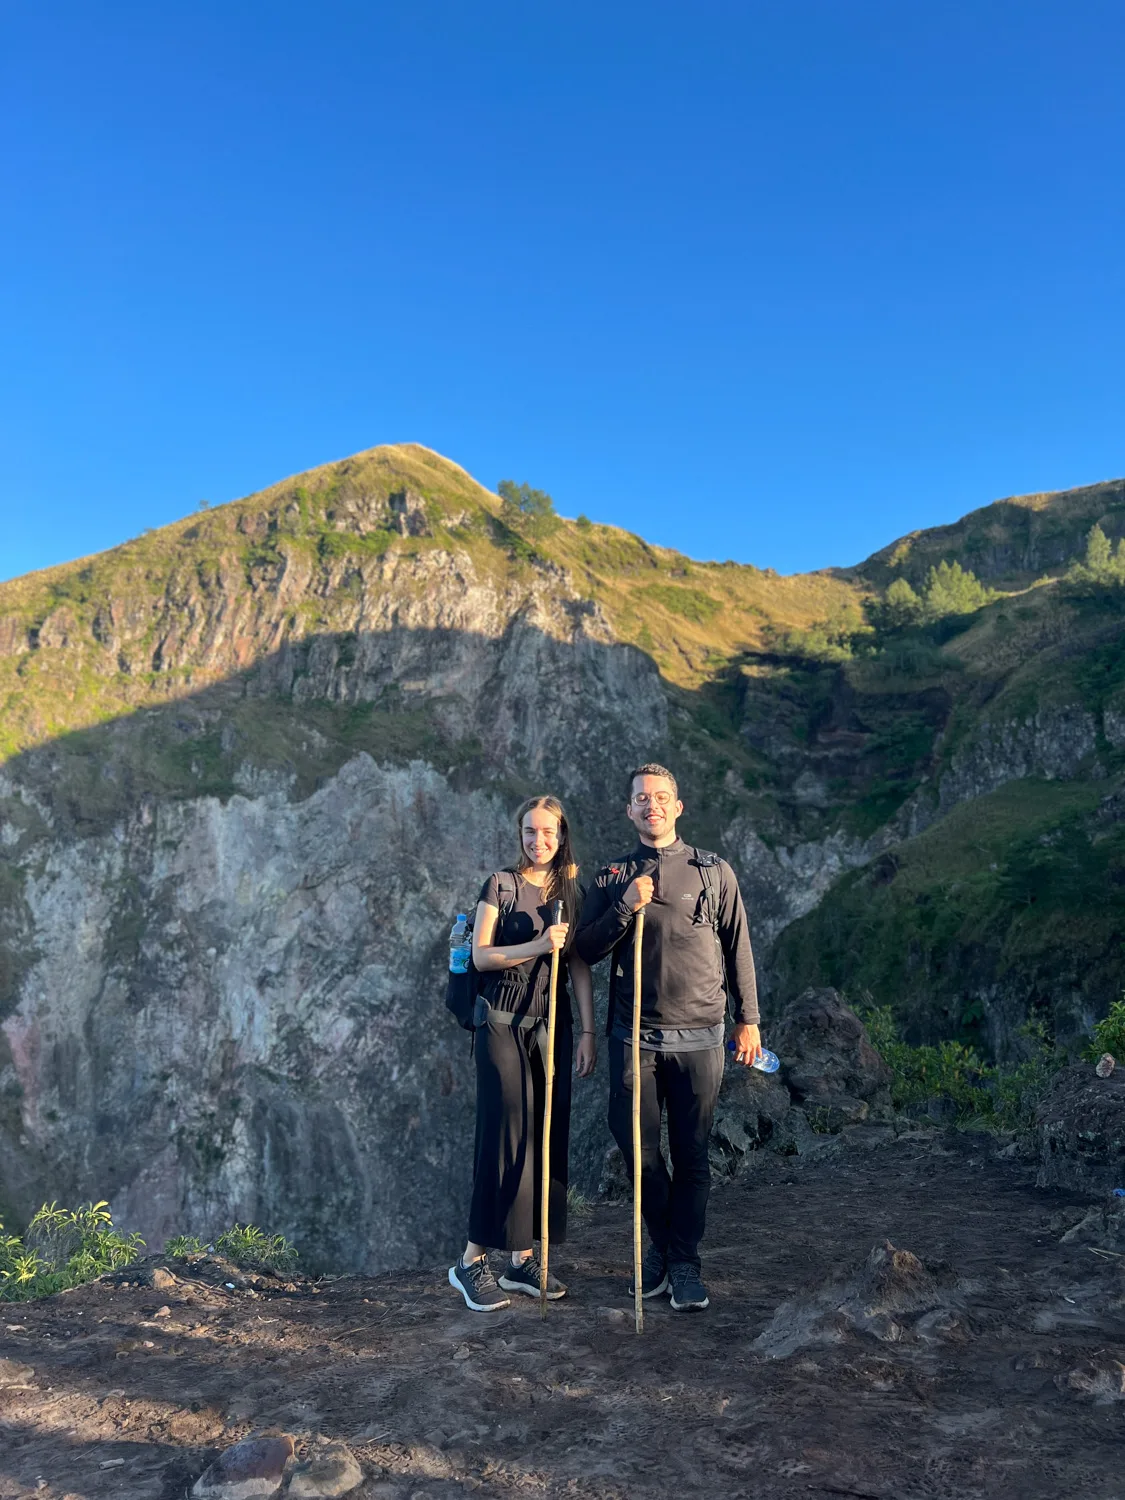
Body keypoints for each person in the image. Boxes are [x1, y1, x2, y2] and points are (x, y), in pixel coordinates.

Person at [575, 762, 761, 1312]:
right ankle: (662, 1246)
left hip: (702, 1036)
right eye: (640, 798)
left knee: (693, 1155)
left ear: (677, 807)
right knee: (641, 1154)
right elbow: (584, 950)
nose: (650, 805)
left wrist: (748, 1019)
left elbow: (738, 945)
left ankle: (683, 1263)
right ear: (628, 809)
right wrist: (625, 907)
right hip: (635, 1038)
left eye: (660, 797)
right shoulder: (612, 877)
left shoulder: (713, 871)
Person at [448, 795, 597, 1312]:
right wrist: (539, 946)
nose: (539, 841)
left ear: (562, 836)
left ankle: (520, 1261)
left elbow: (578, 965)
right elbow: (485, 954)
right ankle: (469, 1263)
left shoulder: (569, 894)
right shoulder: (501, 885)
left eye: (549, 832)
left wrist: (587, 1032)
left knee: (542, 1141)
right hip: (500, 1027)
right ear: (520, 835)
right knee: (504, 1139)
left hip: (550, 1030)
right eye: (531, 832)